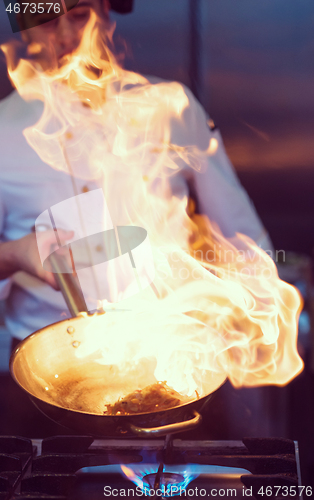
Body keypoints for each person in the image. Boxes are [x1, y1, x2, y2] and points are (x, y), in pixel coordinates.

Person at [0, 0, 273, 343]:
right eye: (49, 21)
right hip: (49, 356)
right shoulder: (3, 131)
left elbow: (242, 237)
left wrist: (264, 313)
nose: (68, 34)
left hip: (171, 346)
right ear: (24, 25)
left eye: (80, 14)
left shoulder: (170, 105)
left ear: (105, 11)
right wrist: (15, 253)